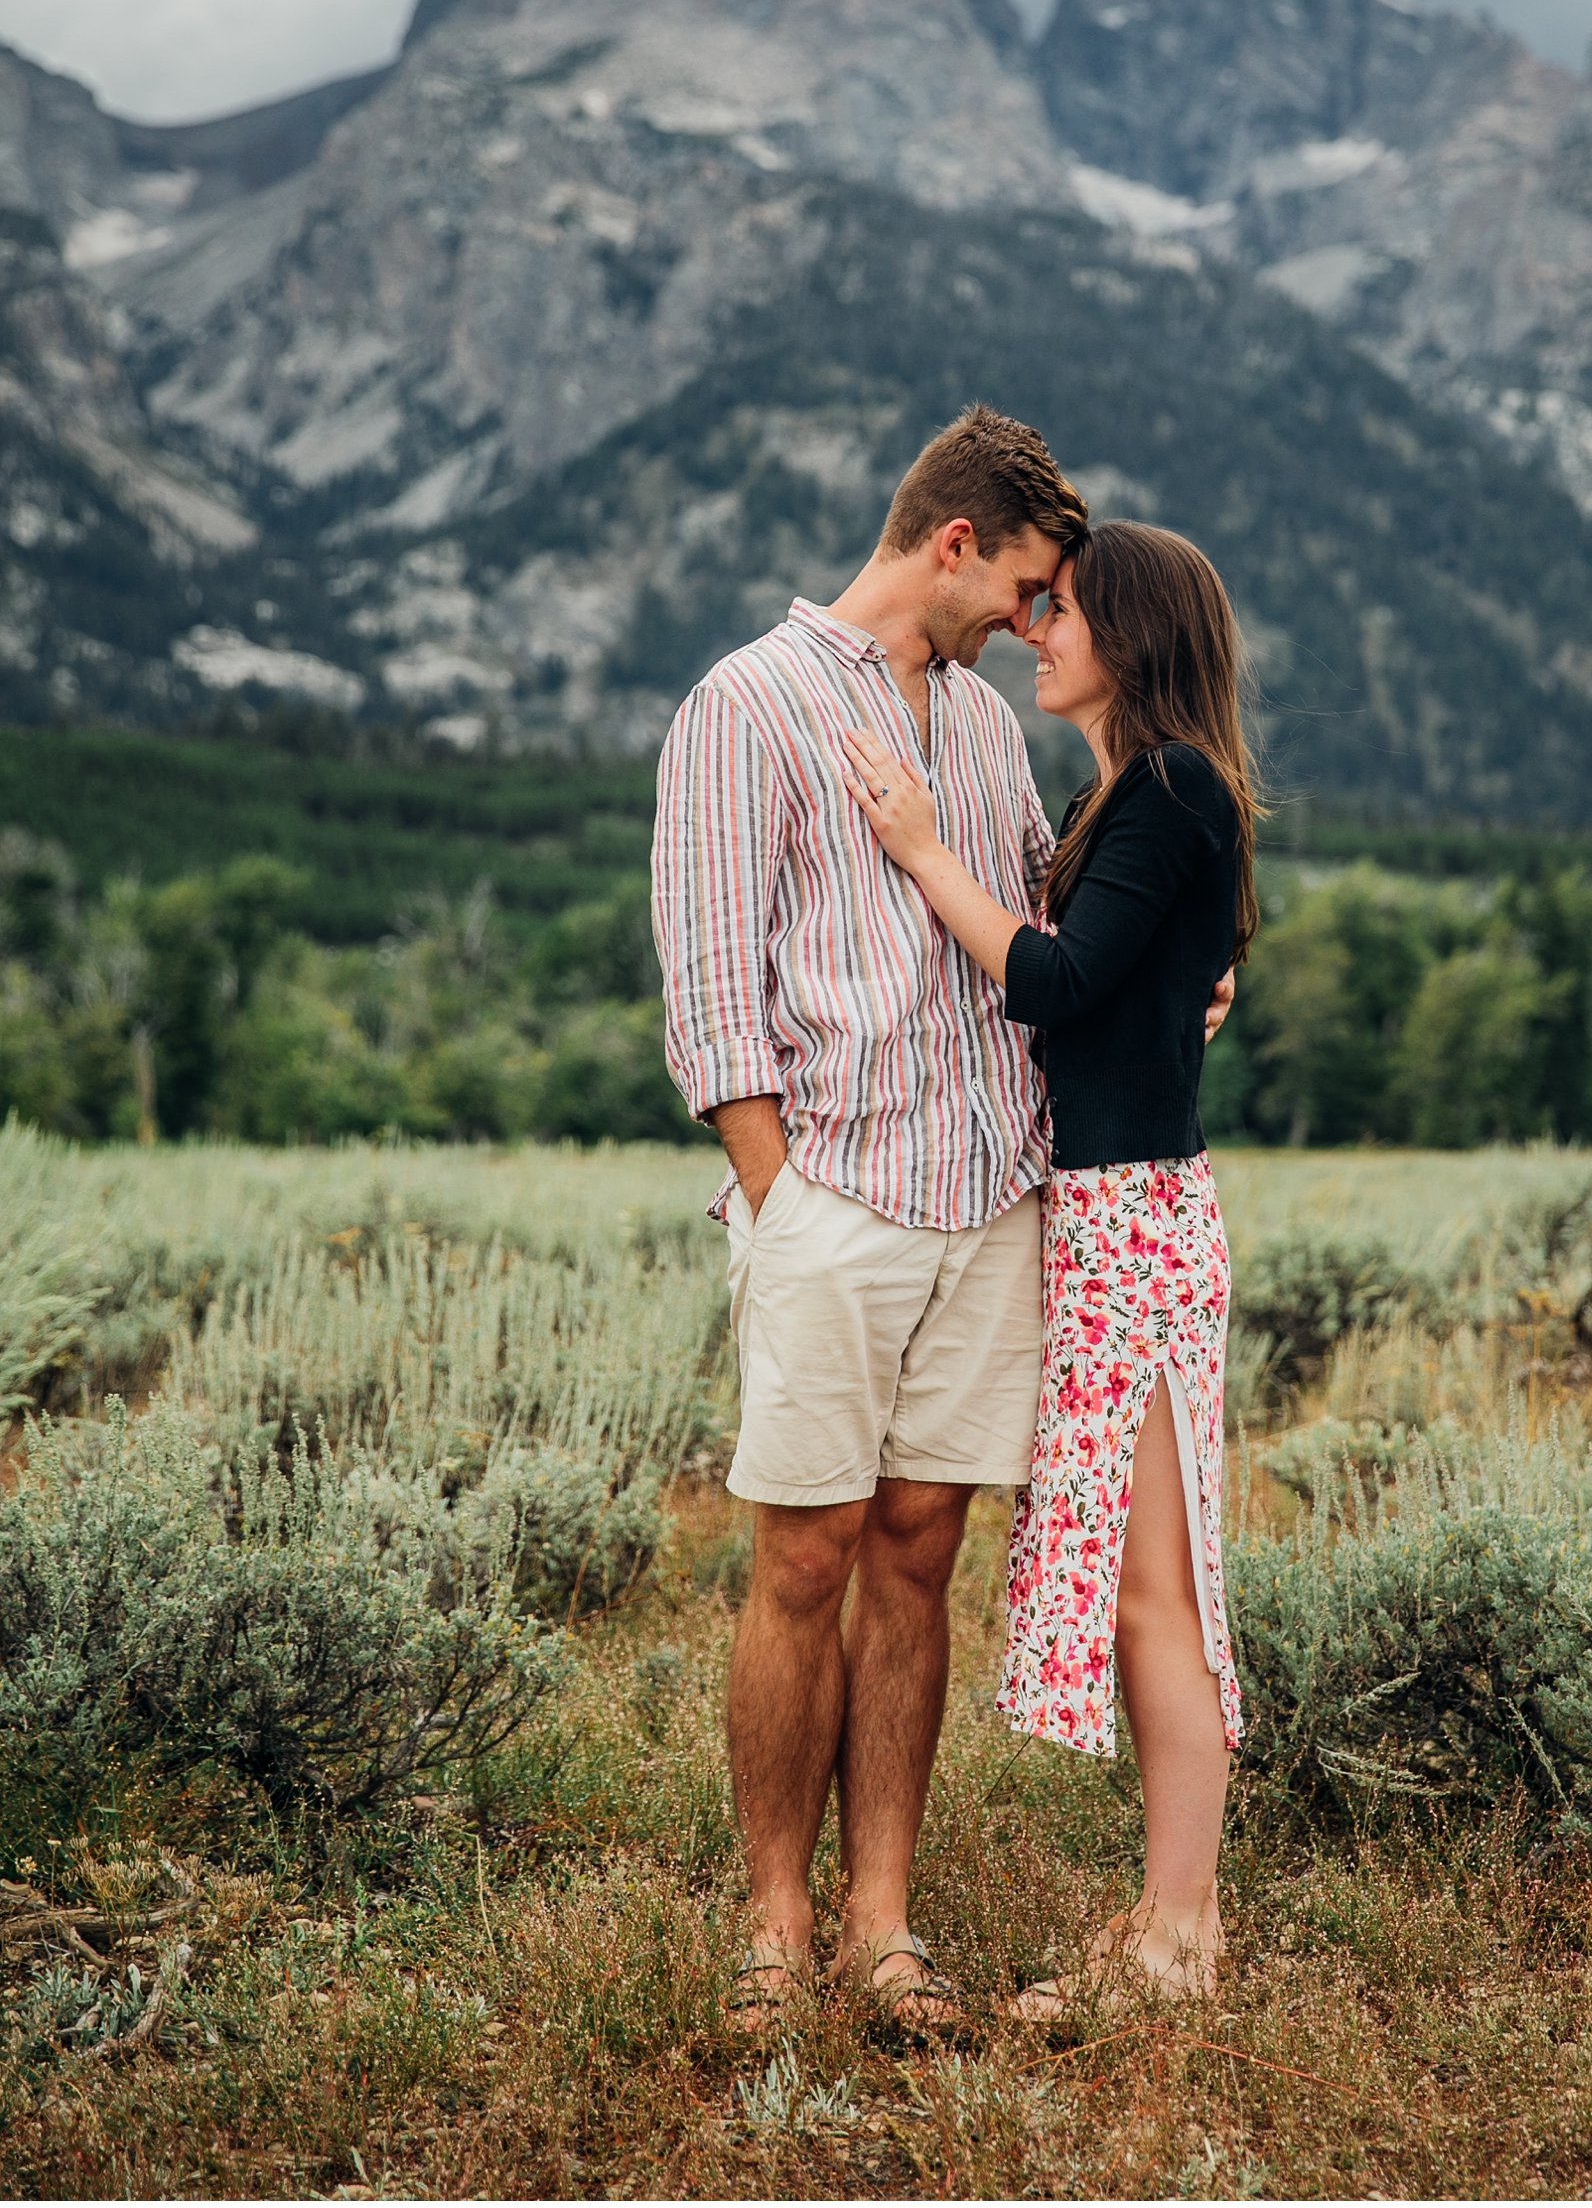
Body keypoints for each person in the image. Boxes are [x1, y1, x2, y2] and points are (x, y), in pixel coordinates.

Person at [649, 406, 1092, 2036]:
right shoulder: (742, 705)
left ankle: (880, 1925)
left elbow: (1039, 918)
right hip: (835, 1196)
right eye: (1029, 589)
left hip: (991, 1194)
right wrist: (787, 1210)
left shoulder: (982, 728)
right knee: (802, 1559)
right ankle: (773, 1929)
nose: (1036, 626)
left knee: (918, 1557)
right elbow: (708, 995)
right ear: (955, 543)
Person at [843, 519, 1258, 2012]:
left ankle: (1175, 1939)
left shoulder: (1168, 787)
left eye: (1063, 608)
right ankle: (1171, 1927)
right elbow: (1151, 979)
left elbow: (1059, 980)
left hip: (1137, 1225)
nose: (1038, 625)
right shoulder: (1133, 797)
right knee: (1146, 1584)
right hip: (1110, 1217)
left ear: (1132, 637)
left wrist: (919, 849)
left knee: (1160, 1595)